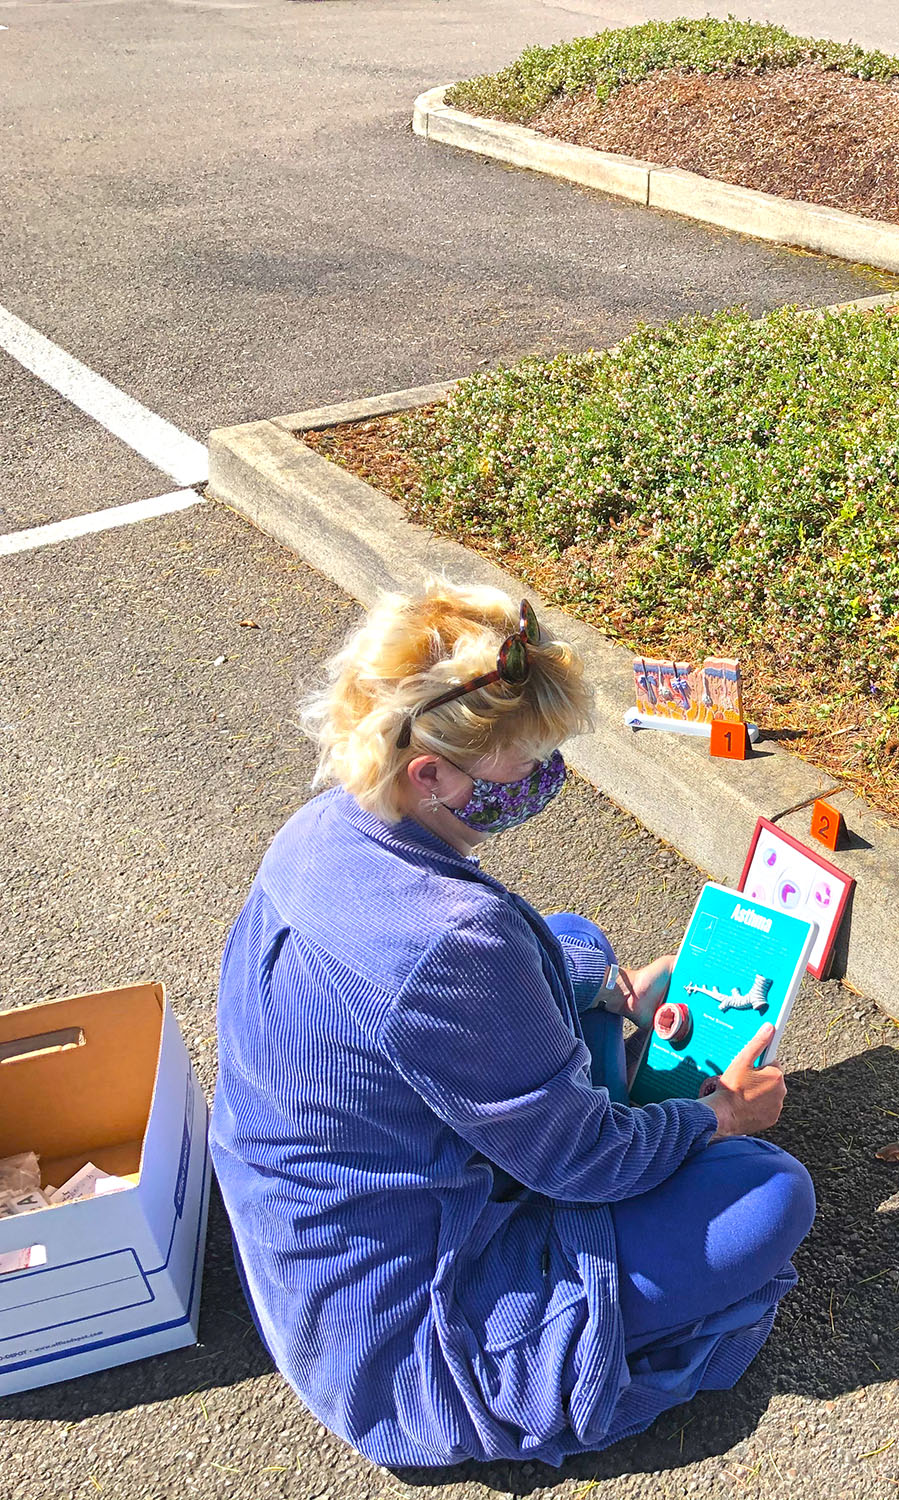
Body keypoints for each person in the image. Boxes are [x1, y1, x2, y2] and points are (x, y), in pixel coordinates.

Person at [211, 581, 813, 1468]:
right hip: (409, 1321)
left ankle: (606, 1059)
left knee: (573, 943)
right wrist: (720, 1116)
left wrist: (612, 991)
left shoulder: (325, 825)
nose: (544, 781)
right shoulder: (453, 941)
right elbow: (581, 1163)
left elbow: (467, 986)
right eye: (522, 767)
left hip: (310, 1235)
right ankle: (634, 1199)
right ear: (432, 775)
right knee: (770, 1194)